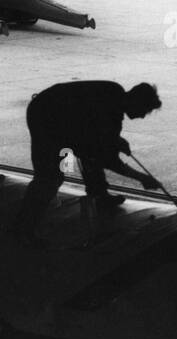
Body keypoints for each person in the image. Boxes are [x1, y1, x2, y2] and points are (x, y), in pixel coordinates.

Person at [12, 81, 163, 245]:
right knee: (50, 177)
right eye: (144, 111)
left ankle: (100, 195)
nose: (142, 116)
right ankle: (23, 230)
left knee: (89, 151)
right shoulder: (111, 113)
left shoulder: (114, 92)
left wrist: (114, 139)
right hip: (47, 118)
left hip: (49, 107)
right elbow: (109, 158)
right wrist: (142, 178)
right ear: (137, 102)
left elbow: (97, 129)